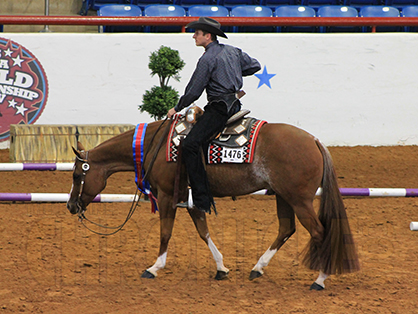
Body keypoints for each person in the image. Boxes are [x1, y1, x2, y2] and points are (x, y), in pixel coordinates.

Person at [167, 17, 261, 214]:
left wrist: (177, 108)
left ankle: (201, 199)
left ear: (207, 36)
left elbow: (194, 91)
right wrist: (233, 72)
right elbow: (255, 66)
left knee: (191, 144)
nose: (193, 36)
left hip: (219, 108)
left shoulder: (207, 59)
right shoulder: (233, 51)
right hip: (235, 105)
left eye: (197, 33)